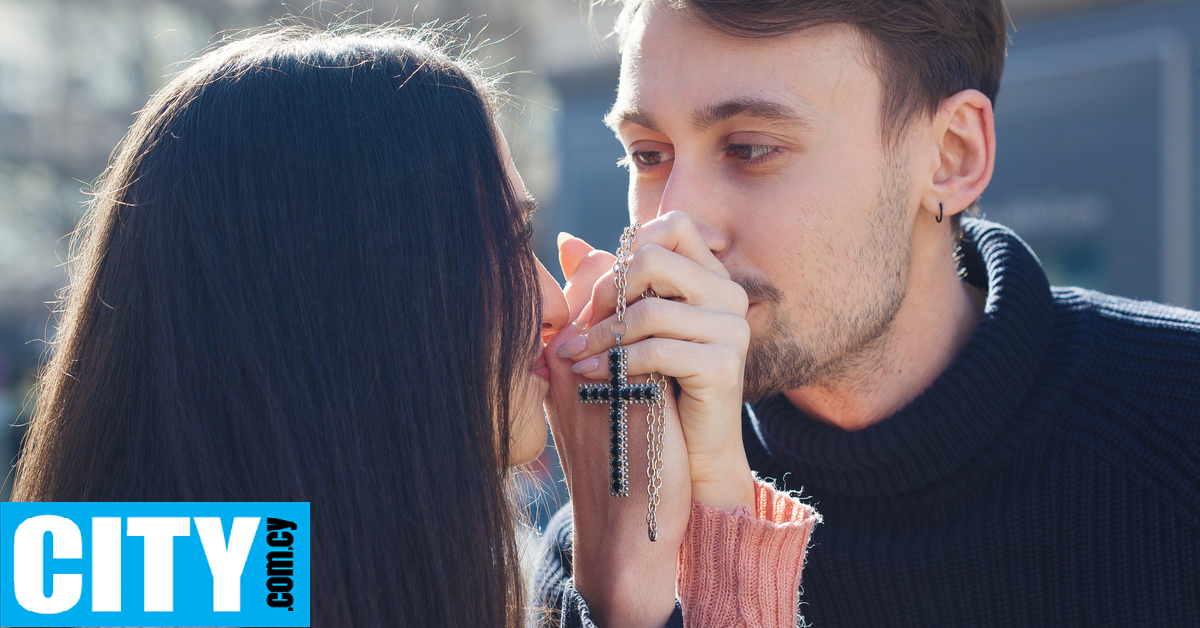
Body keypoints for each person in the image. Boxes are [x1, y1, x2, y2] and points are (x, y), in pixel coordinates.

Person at [11, 23, 816, 628]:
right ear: (355, 284)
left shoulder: (143, 575)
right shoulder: (180, 584)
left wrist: (632, 584)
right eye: (502, 243)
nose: (554, 303)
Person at [535, 1, 1200, 626]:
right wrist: (631, 594)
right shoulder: (610, 545)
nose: (675, 221)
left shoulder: (1178, 430)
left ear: (951, 157)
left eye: (751, 148)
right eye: (648, 155)